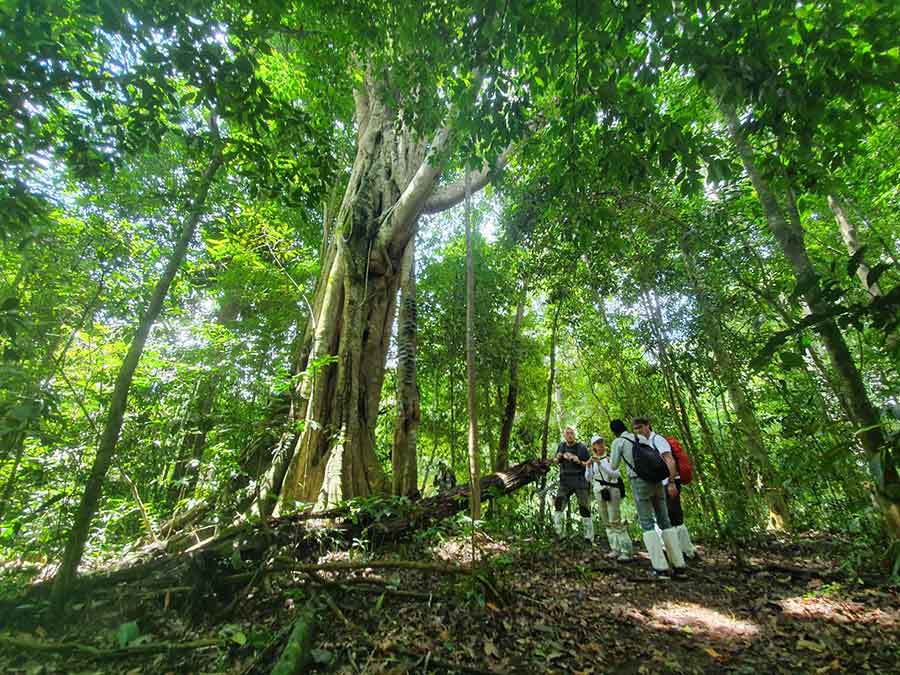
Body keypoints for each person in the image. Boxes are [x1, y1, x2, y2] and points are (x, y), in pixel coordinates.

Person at [609, 417, 686, 578]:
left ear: (614, 431)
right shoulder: (640, 437)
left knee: (647, 523)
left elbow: (614, 465)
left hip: (639, 483)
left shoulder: (618, 442)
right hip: (657, 481)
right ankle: (679, 565)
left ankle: (660, 568)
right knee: (665, 520)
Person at [588, 435, 633, 561]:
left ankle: (626, 550)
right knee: (606, 521)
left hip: (612, 489)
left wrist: (601, 465)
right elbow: (589, 477)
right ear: (593, 447)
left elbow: (616, 474)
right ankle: (615, 548)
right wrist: (588, 466)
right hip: (599, 491)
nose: (600, 445)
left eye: (601, 442)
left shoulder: (610, 458)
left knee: (615, 519)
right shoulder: (592, 460)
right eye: (597, 443)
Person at [553, 426, 594, 544]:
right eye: (567, 433)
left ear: (574, 435)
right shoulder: (562, 446)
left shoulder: (581, 447)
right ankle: (560, 535)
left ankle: (589, 538)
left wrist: (578, 461)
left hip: (580, 481)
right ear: (564, 436)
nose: (570, 435)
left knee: (584, 508)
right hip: (565, 481)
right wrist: (558, 458)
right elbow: (556, 460)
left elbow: (589, 464)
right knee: (558, 505)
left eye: (571, 433)